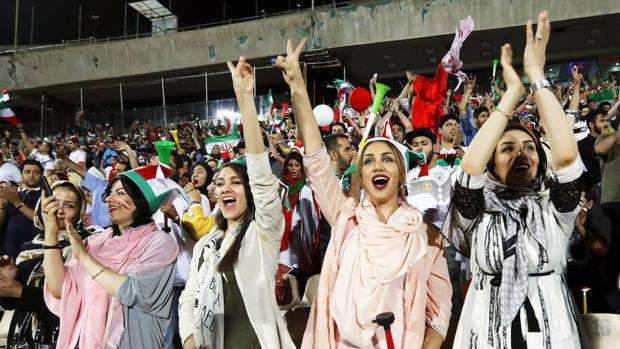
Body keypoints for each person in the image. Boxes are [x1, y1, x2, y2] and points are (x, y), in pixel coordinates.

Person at [276, 37, 452, 348]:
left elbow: (438, 316)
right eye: (368, 161)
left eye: (387, 160)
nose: (377, 166)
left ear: (400, 174)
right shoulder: (347, 219)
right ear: (362, 175)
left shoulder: (425, 236)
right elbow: (316, 161)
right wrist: (298, 89)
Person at [443, 12, 584, 347]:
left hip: (550, 332)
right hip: (486, 332)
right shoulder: (476, 209)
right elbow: (470, 169)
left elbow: (567, 157)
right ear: (492, 163)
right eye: (506, 148)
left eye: (529, 147)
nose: (521, 154)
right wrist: (512, 94)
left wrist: (536, 76)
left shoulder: (554, 208)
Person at [178, 57, 295, 349]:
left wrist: (244, 96)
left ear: (250, 192)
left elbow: (259, 172)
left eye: (235, 182)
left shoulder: (262, 233)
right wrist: (190, 340)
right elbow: (189, 297)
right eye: (219, 183)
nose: (225, 188)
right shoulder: (207, 245)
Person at [42, 164, 179, 348]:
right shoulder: (96, 242)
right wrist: (51, 231)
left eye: (120, 193)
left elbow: (133, 292)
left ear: (141, 200)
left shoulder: (160, 243)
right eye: (110, 193)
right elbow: (60, 289)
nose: (108, 199)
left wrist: (84, 258)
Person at [0, 181, 89, 347]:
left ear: (79, 214)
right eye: (53, 202)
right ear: (41, 207)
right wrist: (8, 285)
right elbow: (13, 303)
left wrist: (19, 291)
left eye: (69, 206)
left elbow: (74, 302)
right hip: (25, 340)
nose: (59, 211)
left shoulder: (85, 247)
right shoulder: (29, 248)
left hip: (63, 338)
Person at [276, 151, 321, 307]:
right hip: (284, 243)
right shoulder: (280, 187)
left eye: (297, 165)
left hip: (304, 242)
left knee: (303, 279)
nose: (294, 169)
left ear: (302, 167)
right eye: (290, 165)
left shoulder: (309, 188)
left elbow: (313, 216)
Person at [0, 159, 43, 259]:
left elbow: (41, 220)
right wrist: (2, 207)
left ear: (42, 175)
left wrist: (17, 203)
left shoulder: (45, 196)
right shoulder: (13, 195)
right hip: (8, 252)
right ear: (21, 175)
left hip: (33, 253)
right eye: (27, 172)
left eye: (36, 172)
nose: (31, 175)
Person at [578, 108, 608, 188]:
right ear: (591, 125)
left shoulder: (610, 138)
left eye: (607, 121)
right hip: (600, 187)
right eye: (602, 121)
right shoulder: (583, 144)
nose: (606, 124)